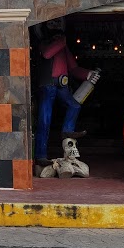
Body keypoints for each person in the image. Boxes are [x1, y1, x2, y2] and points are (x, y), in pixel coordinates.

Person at [35, 23, 93, 162]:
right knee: (45, 120)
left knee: (74, 105)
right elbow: (47, 54)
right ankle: (40, 155)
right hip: (48, 85)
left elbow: (73, 68)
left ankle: (67, 131)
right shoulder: (44, 44)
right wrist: (61, 42)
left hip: (62, 85)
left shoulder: (63, 47)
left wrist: (88, 74)